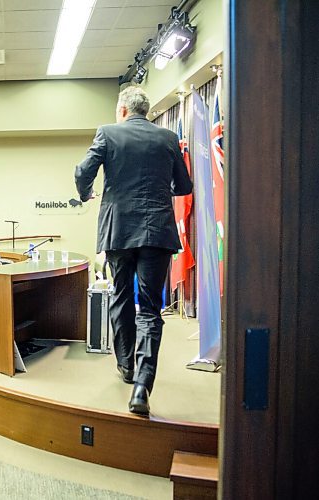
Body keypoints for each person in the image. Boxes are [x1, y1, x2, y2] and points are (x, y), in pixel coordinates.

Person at [75, 86, 192, 416]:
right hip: (157, 230)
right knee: (150, 309)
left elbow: (83, 171)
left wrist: (86, 194)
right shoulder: (167, 138)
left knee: (122, 296)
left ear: (123, 110)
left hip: (118, 229)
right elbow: (183, 186)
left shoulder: (108, 133)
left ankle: (126, 366)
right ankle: (142, 384)